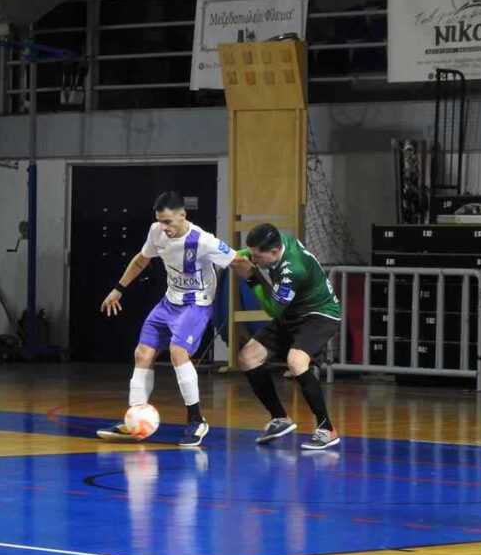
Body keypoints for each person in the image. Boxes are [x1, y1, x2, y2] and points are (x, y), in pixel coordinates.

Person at [97, 191, 236, 447]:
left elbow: (237, 260)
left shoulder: (203, 241)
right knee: (142, 353)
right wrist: (119, 288)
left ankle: (196, 420)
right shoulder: (156, 232)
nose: (164, 227)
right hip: (169, 302)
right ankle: (135, 419)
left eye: (169, 222)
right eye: (160, 221)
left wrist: (263, 287)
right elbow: (141, 260)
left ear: (183, 215)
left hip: (196, 304)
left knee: (178, 352)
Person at [232, 223, 342, 450]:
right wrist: (231, 256)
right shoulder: (278, 239)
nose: (254, 260)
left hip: (320, 314)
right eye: (251, 255)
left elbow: (273, 310)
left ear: (274, 252)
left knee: (296, 360)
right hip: (294, 312)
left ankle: (326, 428)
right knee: (247, 357)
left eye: (257, 257)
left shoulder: (293, 271)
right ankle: (280, 418)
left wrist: (252, 277)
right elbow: (247, 255)